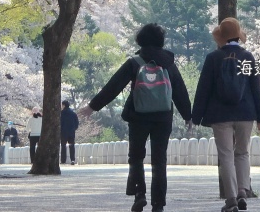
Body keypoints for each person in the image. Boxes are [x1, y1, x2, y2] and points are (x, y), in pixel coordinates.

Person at [79, 23, 192, 212]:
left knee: (136, 156)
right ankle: (158, 204)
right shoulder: (168, 62)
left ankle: (139, 194)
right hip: (163, 117)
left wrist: (93, 107)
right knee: (159, 160)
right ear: (160, 41)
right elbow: (179, 90)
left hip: (138, 115)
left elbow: (113, 86)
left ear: (140, 40)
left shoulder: (135, 62)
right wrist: (188, 115)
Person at [192, 17, 260, 212]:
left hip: (220, 114)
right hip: (245, 113)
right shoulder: (247, 57)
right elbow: (256, 88)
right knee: (242, 153)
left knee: (225, 155)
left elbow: (203, 89)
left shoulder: (213, 58)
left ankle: (231, 197)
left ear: (221, 37)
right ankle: (243, 191)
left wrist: (196, 116)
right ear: (238, 36)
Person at [60, 100, 79, 165]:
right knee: (71, 145)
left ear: (64, 105)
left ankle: (63, 160)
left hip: (63, 132)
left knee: (63, 146)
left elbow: (59, 123)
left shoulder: (61, 113)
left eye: (62, 105)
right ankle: (72, 160)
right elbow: (77, 123)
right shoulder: (73, 113)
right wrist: (74, 129)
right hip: (71, 132)